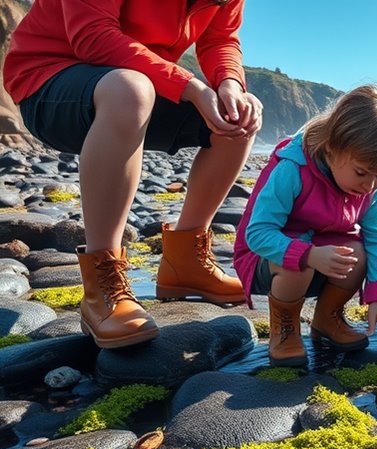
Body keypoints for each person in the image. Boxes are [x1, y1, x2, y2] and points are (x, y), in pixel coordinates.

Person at [2, 0, 262, 348]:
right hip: (47, 77)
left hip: (139, 82)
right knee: (130, 89)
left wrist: (230, 84)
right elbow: (92, 36)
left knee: (238, 116)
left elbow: (221, 40)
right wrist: (190, 86)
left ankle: (186, 264)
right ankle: (102, 288)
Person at [234, 85, 377, 367]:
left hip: (322, 260)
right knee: (299, 264)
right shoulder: (292, 169)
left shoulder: (368, 190)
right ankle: (285, 329)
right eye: (361, 173)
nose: (369, 185)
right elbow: (257, 234)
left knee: (358, 253)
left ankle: (327, 318)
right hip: (265, 261)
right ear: (332, 148)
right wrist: (308, 254)